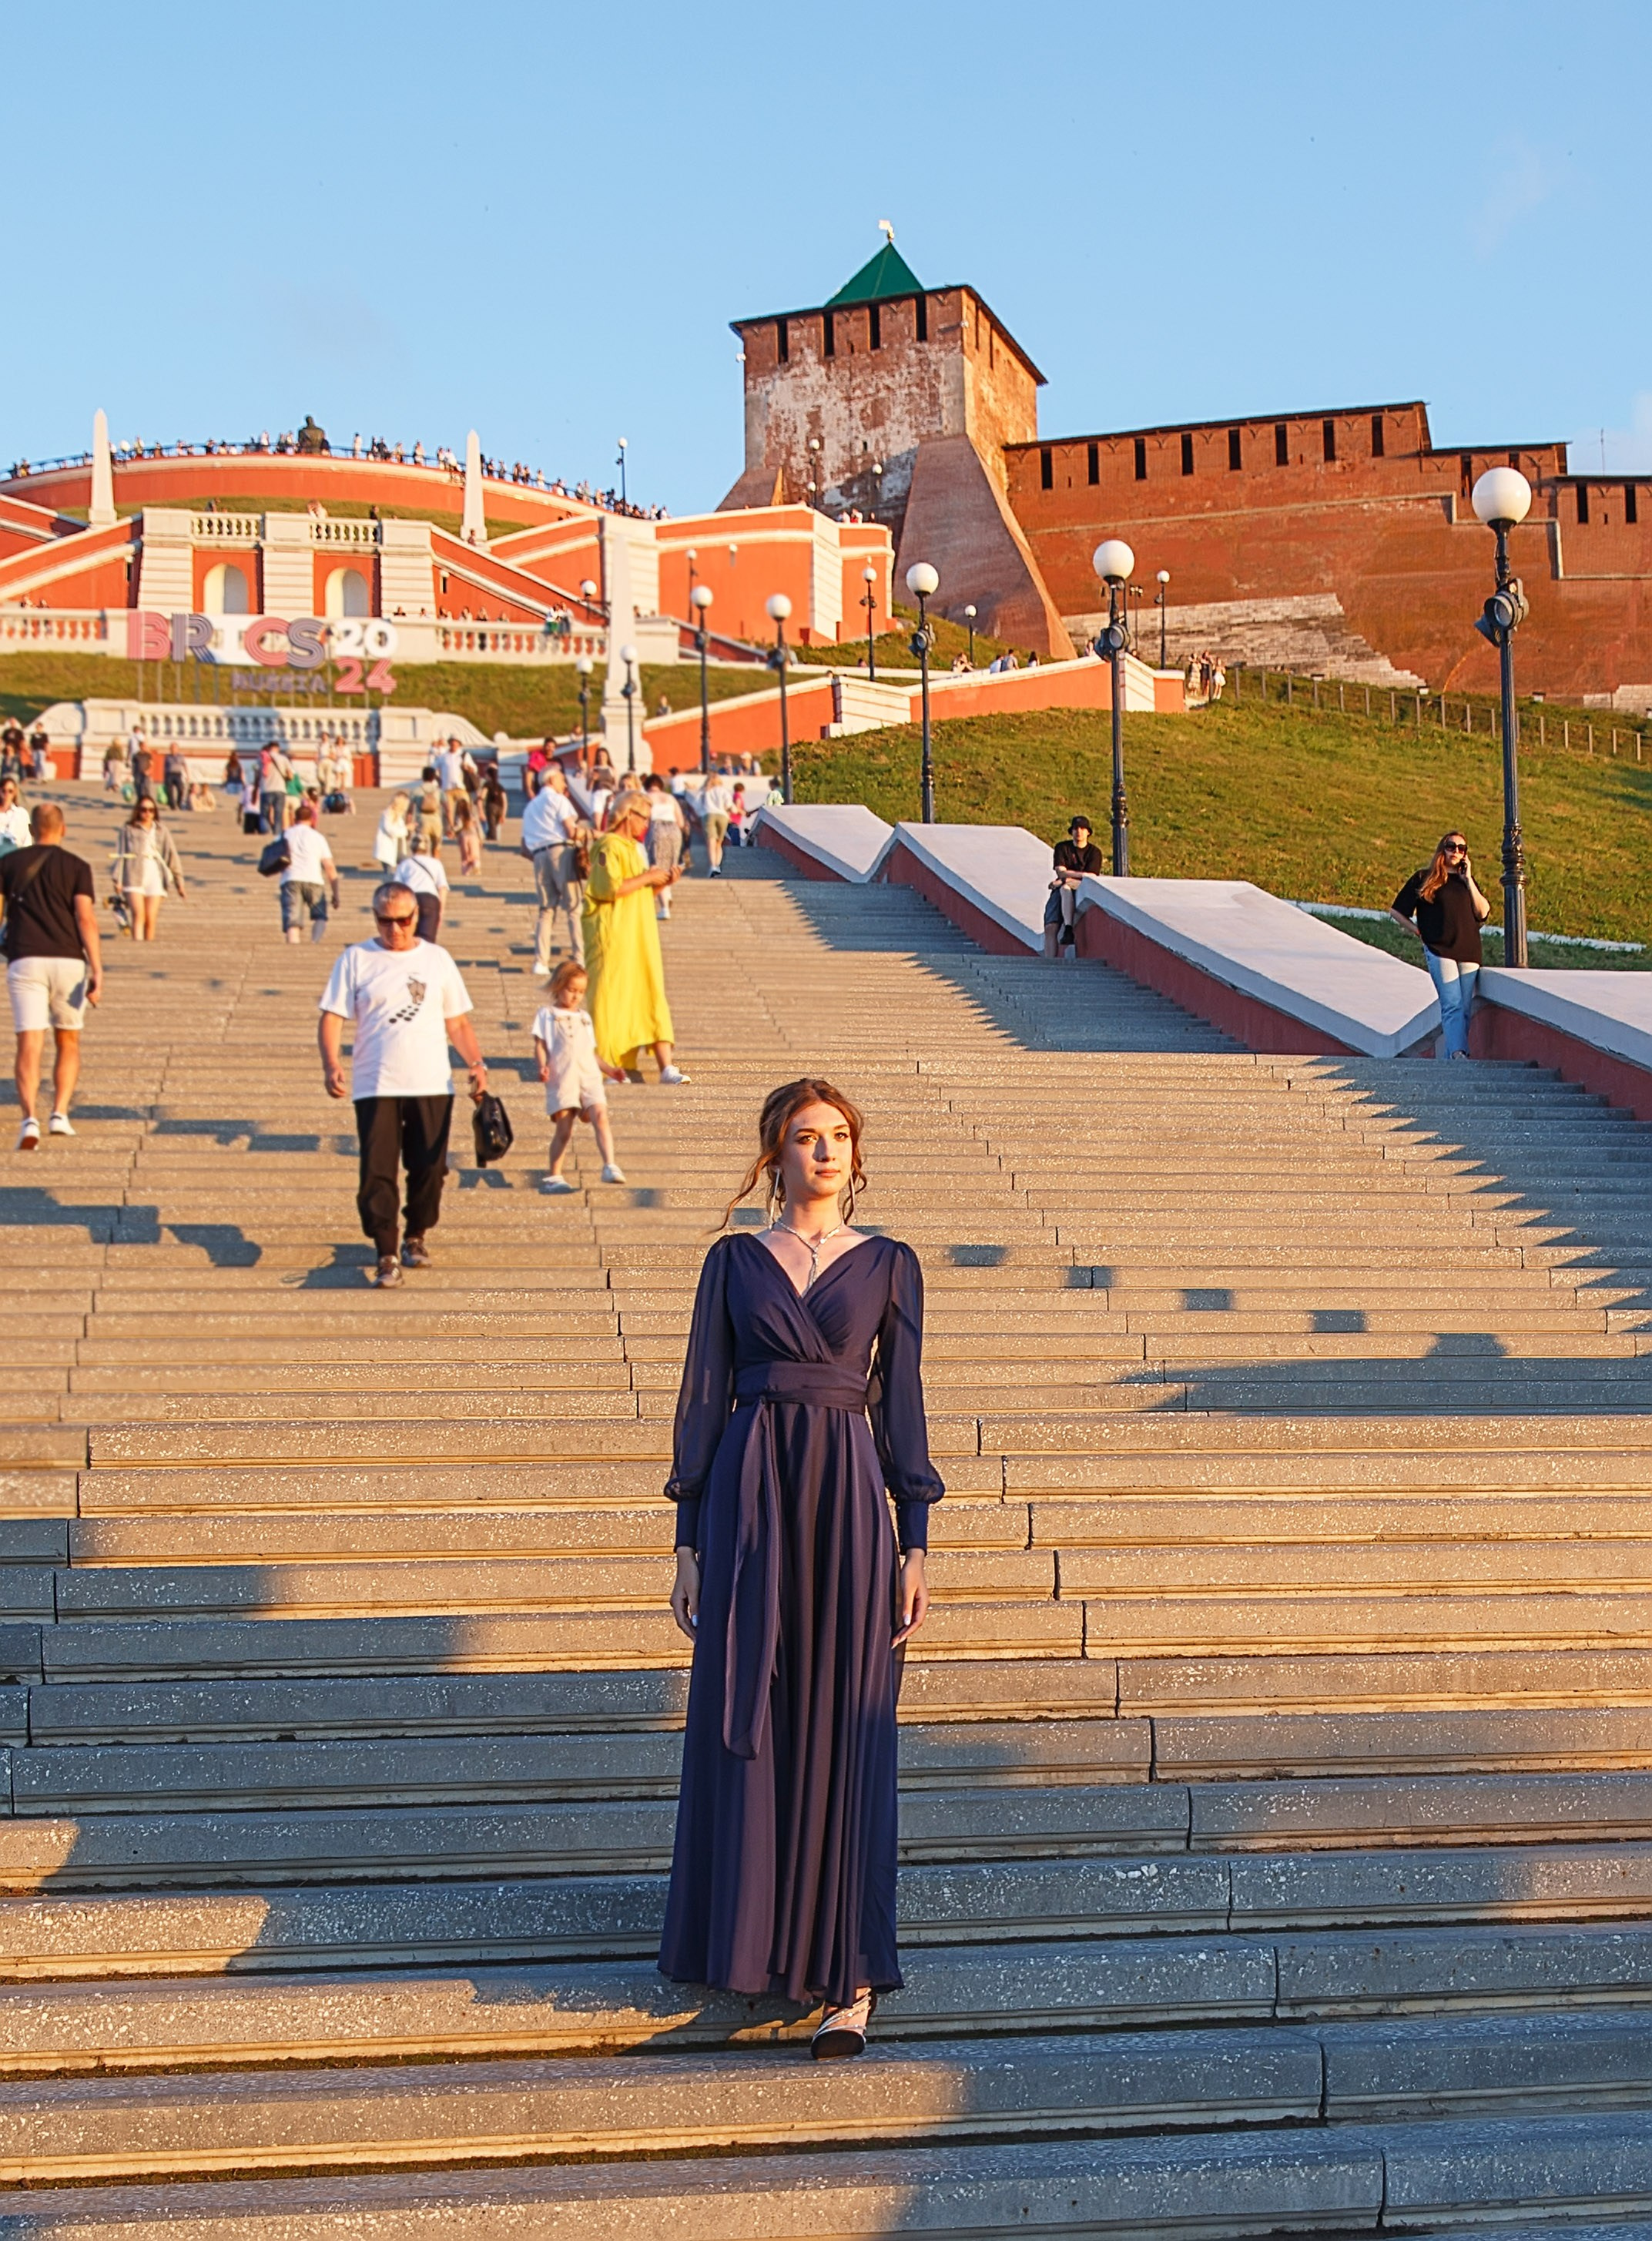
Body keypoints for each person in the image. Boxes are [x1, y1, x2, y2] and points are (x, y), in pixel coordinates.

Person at [659, 1078, 941, 2058]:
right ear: (774, 1154)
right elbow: (702, 1396)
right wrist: (687, 1540)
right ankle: (749, 1947)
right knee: (752, 1710)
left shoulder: (890, 1263)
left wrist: (915, 1539)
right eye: (805, 1136)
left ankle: (849, 1979)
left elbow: (901, 1405)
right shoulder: (733, 1262)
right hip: (747, 1497)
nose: (824, 1150)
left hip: (850, 1502)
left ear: (855, 1155)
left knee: (844, 1719)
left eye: (839, 1136)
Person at [317, 881, 488, 1288]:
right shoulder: (356, 958)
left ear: (416, 916)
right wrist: (331, 1063)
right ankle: (386, 1252)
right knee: (377, 1170)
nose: (394, 929)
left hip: (431, 1082)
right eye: (385, 921)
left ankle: (416, 1234)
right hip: (376, 1084)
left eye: (402, 920)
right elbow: (332, 1016)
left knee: (430, 1167)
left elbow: (458, 1022)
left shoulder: (437, 959)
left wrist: (476, 1063)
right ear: (375, 918)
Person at [0, 802, 102, 1150]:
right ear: (64, 829)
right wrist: (97, 968)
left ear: (31, 829)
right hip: (68, 960)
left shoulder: (9, 864)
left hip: (25, 959)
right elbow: (86, 919)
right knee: (68, 1040)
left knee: (29, 1042)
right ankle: (59, 1113)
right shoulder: (77, 867)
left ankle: (29, 1119)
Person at [582, 789, 687, 1083]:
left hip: (639, 936)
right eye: (643, 818)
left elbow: (638, 896)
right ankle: (607, 1064)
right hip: (613, 938)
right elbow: (609, 889)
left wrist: (662, 882)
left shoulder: (634, 849)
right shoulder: (607, 846)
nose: (646, 825)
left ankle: (666, 1066)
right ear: (628, 815)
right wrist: (648, 877)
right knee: (609, 999)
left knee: (651, 994)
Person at [1390, 829, 1491, 1060]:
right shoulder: (1424, 878)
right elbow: (1396, 911)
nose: (1456, 851)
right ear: (1442, 849)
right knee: (1452, 1003)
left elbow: (1483, 912)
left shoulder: (1466, 882)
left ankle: (1451, 1058)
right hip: (1439, 949)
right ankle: (1458, 1054)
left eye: (1461, 849)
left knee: (1465, 1008)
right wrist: (1417, 930)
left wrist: (1468, 879)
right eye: (1451, 846)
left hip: (1469, 950)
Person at [534, 959, 625, 1192]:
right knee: (564, 1129)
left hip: (589, 1075)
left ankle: (610, 1164)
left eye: (581, 992)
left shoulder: (584, 1017)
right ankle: (554, 1175)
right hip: (563, 1076)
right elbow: (540, 1045)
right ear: (558, 986)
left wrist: (609, 1070)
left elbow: (590, 1051)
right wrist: (542, 1066)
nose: (576, 996)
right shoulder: (547, 1014)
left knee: (601, 1115)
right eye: (571, 990)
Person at [522, 762, 584, 974]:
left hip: (539, 855)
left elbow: (523, 846)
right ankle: (580, 956)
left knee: (546, 910)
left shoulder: (530, 807)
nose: (564, 784)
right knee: (574, 907)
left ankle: (541, 961)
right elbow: (570, 830)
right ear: (551, 780)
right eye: (561, 780)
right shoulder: (559, 800)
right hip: (561, 851)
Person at [110, 796, 187, 941]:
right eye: (144, 810)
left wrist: (180, 883)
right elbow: (121, 854)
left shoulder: (161, 831)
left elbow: (172, 855)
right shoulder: (128, 829)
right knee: (138, 915)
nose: (147, 813)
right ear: (138, 811)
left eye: (151, 810)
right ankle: (138, 947)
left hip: (155, 874)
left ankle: (148, 947)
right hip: (133, 874)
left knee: (150, 918)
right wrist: (117, 880)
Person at [280, 800, 340, 944]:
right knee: (320, 917)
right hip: (314, 879)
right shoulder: (318, 837)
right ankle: (314, 944)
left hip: (290, 879)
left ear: (295, 819)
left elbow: (276, 858)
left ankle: (293, 949)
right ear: (312, 819)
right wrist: (336, 894)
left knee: (292, 921)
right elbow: (329, 866)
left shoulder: (285, 835)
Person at [1044, 815, 1105, 960]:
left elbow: (1091, 877)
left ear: (1088, 832)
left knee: (1064, 886)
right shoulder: (1062, 848)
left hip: (1081, 887)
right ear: (1071, 831)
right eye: (1076, 829)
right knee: (1050, 926)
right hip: (1063, 888)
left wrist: (1065, 879)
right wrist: (1071, 877)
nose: (1079, 832)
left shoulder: (1094, 852)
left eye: (1083, 829)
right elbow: (1061, 871)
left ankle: (1068, 928)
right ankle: (1049, 962)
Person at [642, 773, 687, 920]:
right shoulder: (670, 798)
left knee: (657, 867)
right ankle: (667, 894)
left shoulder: (647, 797)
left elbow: (644, 819)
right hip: (674, 830)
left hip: (656, 829)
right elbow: (681, 823)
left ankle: (664, 908)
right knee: (670, 866)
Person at [394, 828, 449, 943]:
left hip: (410, 898)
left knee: (409, 937)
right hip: (430, 900)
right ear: (427, 848)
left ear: (412, 848)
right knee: (427, 940)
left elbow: (397, 889)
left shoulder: (405, 864)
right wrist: (441, 911)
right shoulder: (436, 863)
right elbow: (442, 888)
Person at [699, 769, 732, 876]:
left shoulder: (705, 791)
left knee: (711, 842)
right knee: (719, 843)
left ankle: (712, 866)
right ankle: (717, 866)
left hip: (708, 815)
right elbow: (729, 805)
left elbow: (697, 805)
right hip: (722, 816)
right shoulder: (723, 791)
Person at [373, 792, 410, 876]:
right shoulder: (388, 813)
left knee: (405, 863)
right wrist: (406, 828)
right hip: (387, 848)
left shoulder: (398, 815)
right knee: (389, 873)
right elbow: (390, 830)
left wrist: (406, 829)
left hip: (397, 848)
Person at [452, 791, 481, 876]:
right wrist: (481, 838)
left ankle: (465, 872)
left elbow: (459, 826)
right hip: (473, 835)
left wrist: (452, 830)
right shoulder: (472, 816)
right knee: (475, 854)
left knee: (465, 856)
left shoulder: (459, 816)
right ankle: (476, 865)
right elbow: (478, 827)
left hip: (464, 836)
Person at [0, 778, 31, 857]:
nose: (7, 794)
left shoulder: (21, 813)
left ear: (14, 793)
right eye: (4, 791)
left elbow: (27, 839)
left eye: (10, 791)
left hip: (15, 854)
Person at [481, 763, 507, 843]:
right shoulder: (500, 786)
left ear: (488, 775)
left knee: (492, 826)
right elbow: (505, 801)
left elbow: (482, 796)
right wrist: (503, 815)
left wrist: (480, 807)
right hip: (500, 808)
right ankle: (490, 837)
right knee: (494, 826)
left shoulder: (487, 784)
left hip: (491, 807)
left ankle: (493, 841)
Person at [162, 747, 187, 812]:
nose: (173, 750)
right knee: (169, 790)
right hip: (169, 774)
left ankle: (179, 803)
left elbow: (184, 765)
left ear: (177, 749)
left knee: (181, 789)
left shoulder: (181, 757)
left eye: (174, 748)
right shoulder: (168, 757)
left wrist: (187, 774)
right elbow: (165, 767)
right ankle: (172, 805)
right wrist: (164, 777)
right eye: (172, 748)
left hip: (178, 774)